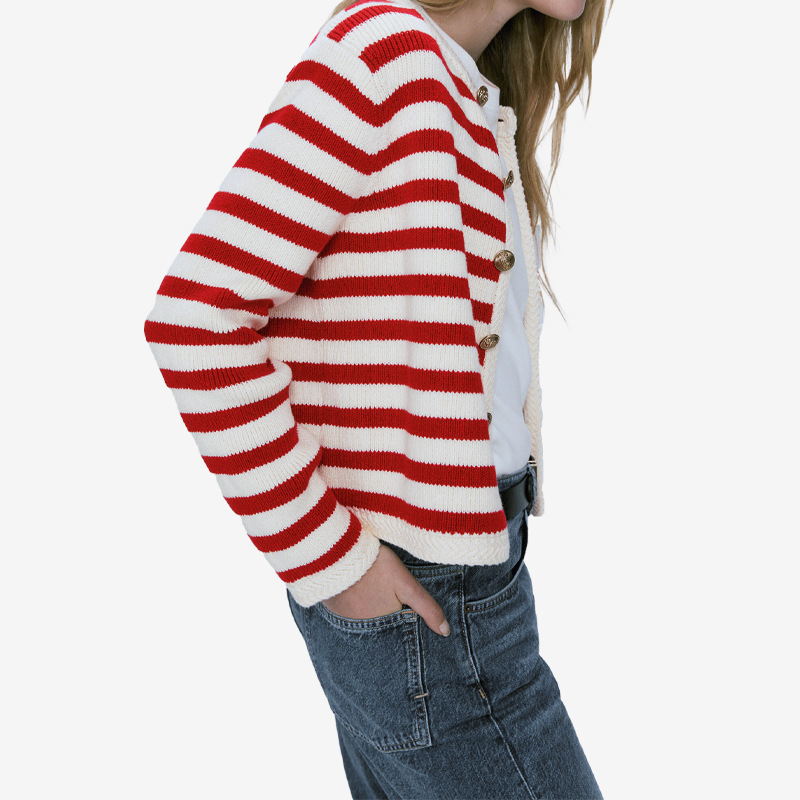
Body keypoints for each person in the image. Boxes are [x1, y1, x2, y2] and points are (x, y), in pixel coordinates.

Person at [144, 0, 612, 796]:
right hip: (422, 590)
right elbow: (195, 318)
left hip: (454, 578)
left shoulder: (459, 83)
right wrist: (331, 560)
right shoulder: (383, 51)